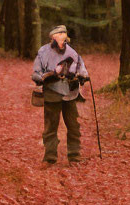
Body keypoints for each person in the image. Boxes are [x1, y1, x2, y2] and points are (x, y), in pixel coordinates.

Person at [32, 24, 89, 164]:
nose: (62, 41)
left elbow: (82, 68)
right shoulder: (43, 52)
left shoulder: (72, 53)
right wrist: (44, 77)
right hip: (51, 93)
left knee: (73, 126)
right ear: (53, 38)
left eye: (64, 37)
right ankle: (50, 157)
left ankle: (74, 156)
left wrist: (82, 76)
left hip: (70, 93)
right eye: (59, 37)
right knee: (51, 127)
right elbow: (36, 73)